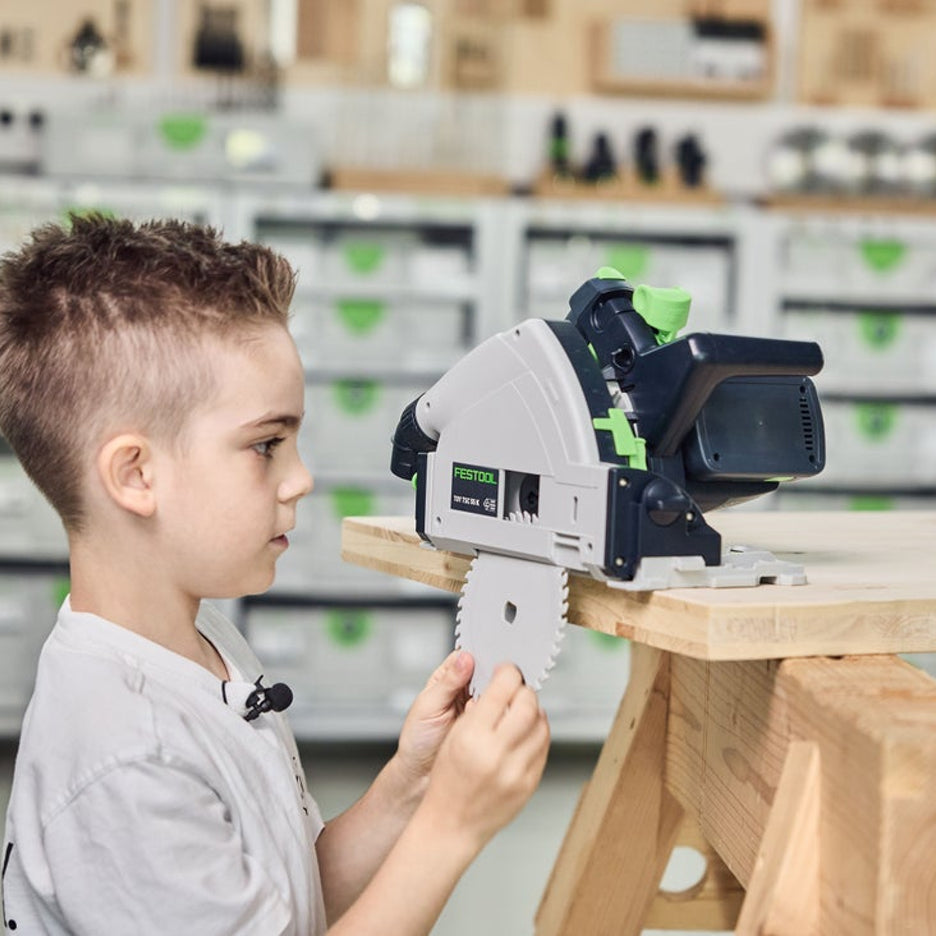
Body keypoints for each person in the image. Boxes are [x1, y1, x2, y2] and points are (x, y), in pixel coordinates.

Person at [0, 215, 550, 935]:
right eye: (266, 445)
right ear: (135, 475)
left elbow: (277, 904)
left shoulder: (199, 640)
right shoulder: (126, 758)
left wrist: (411, 787)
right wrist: (451, 827)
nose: (301, 479)